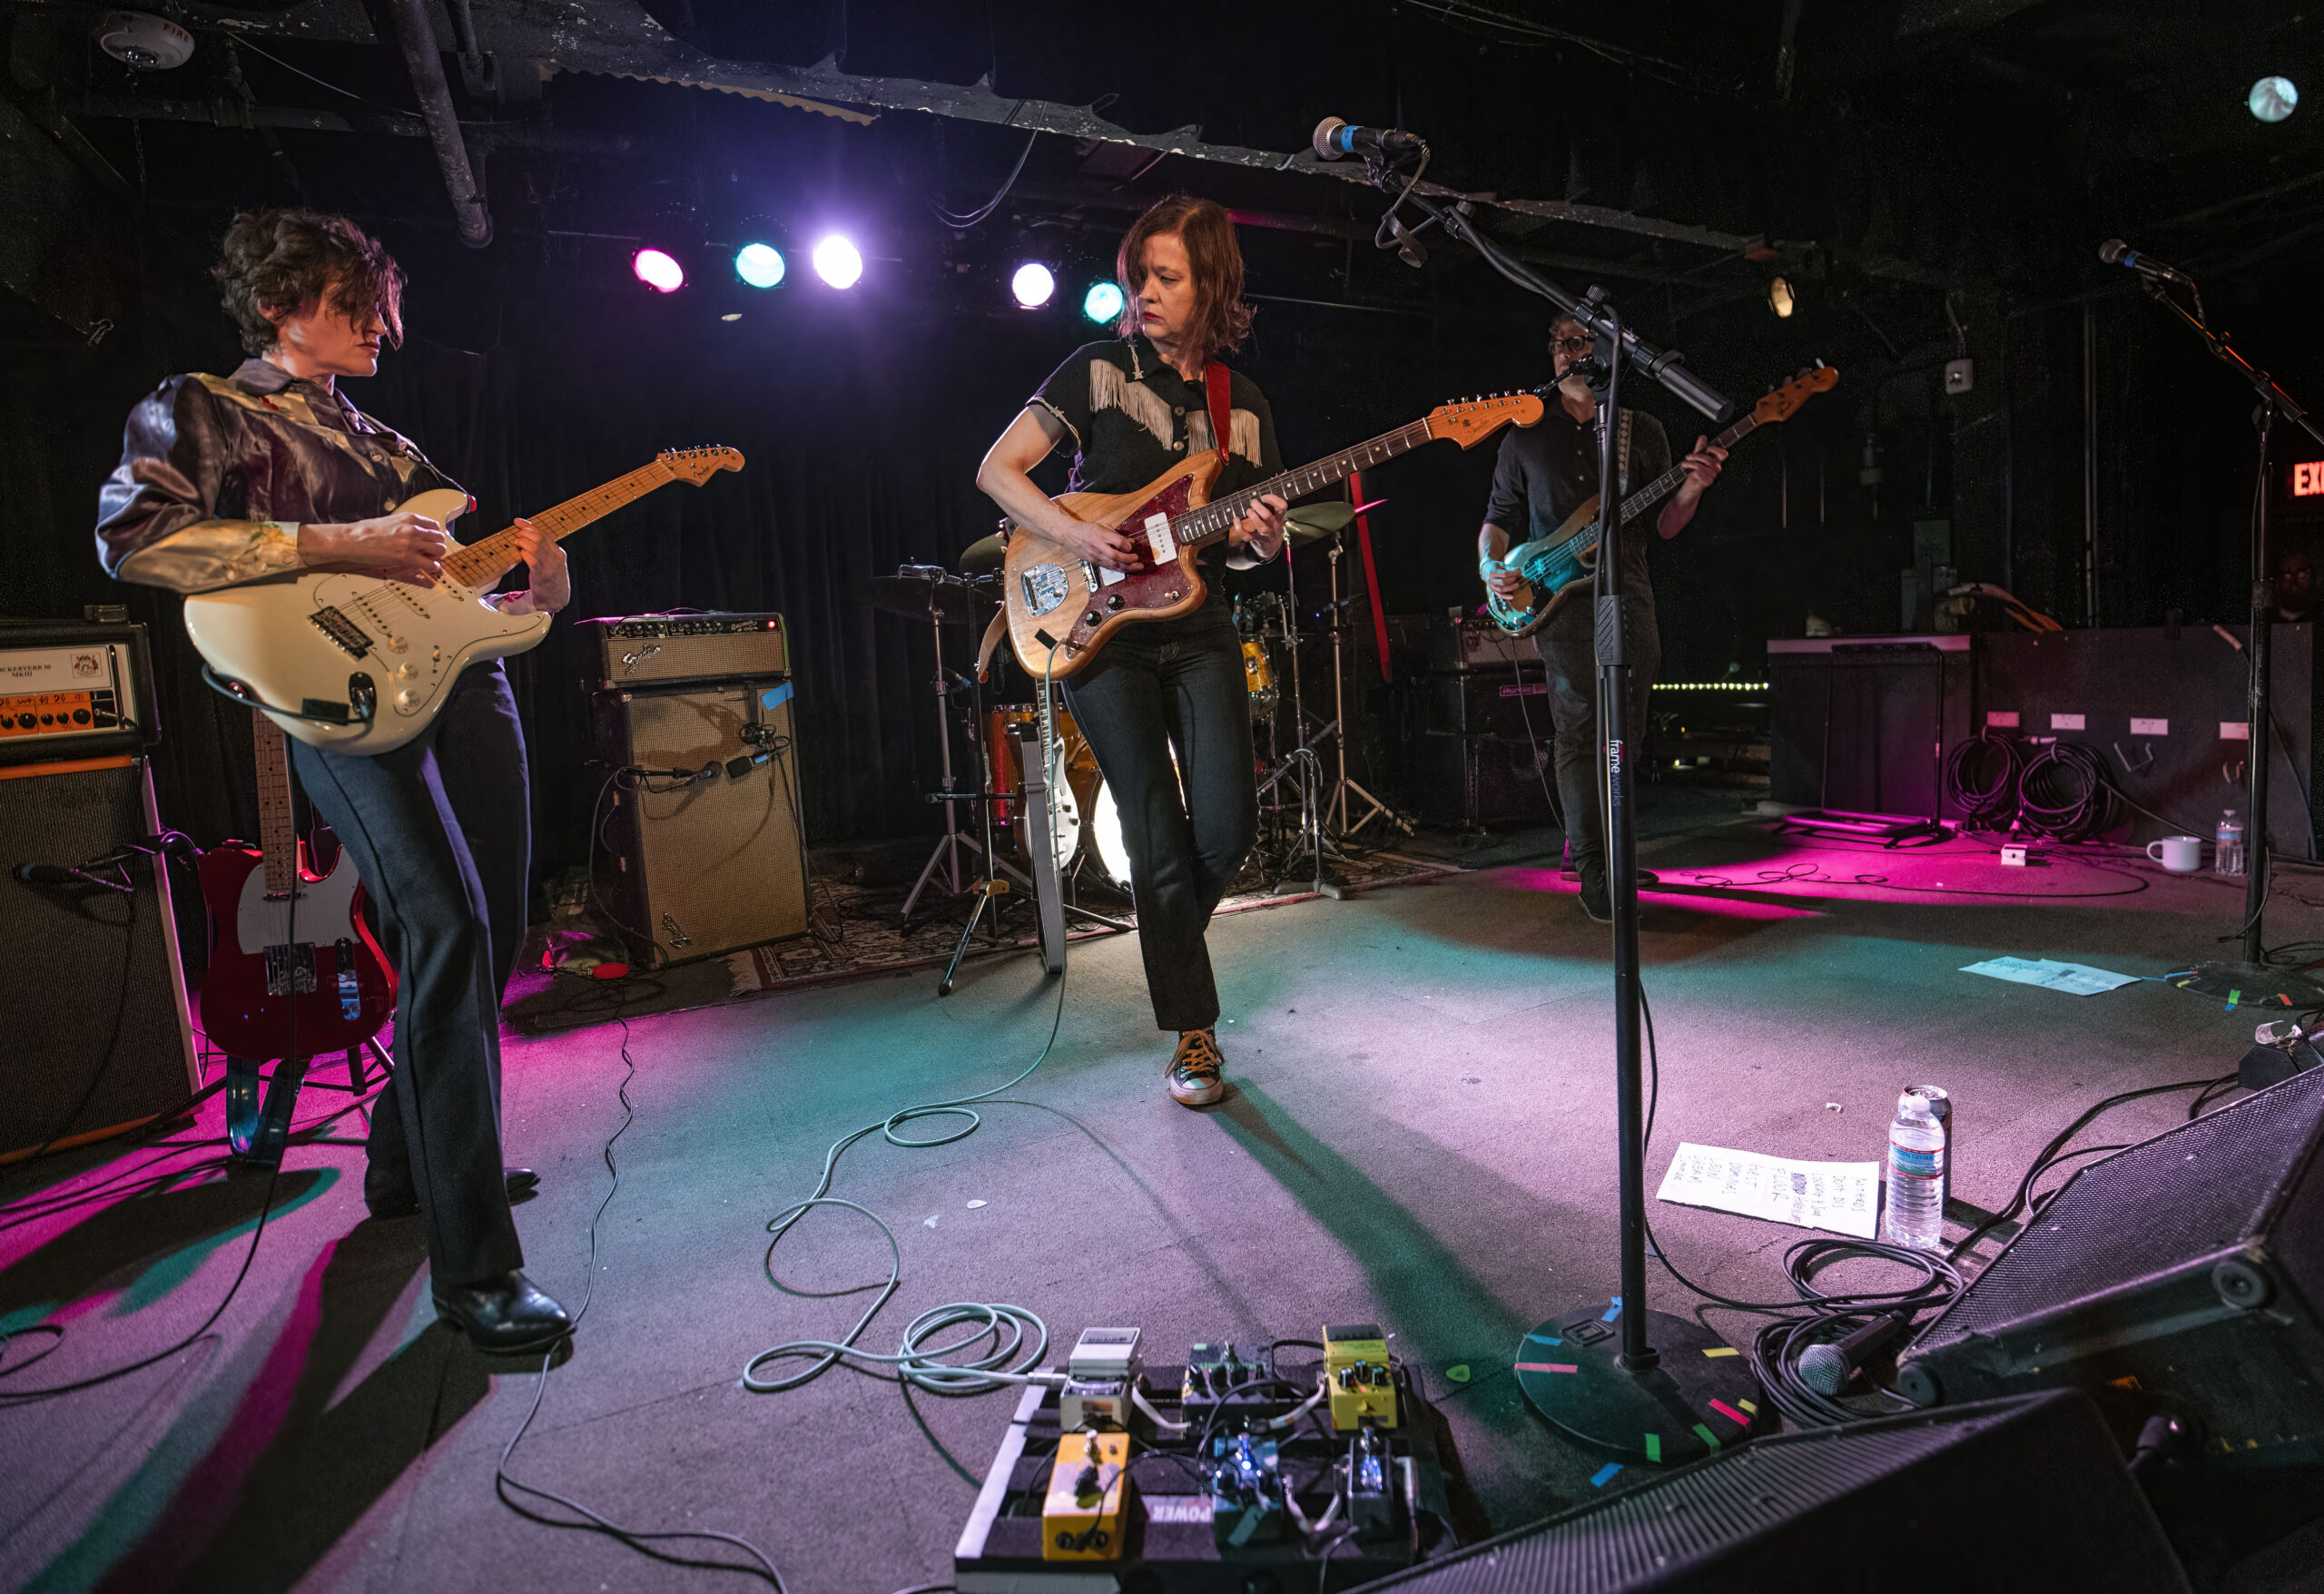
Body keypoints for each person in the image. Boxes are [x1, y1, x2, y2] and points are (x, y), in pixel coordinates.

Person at [95, 210, 572, 1353]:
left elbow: (449, 579)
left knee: (490, 929)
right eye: (357, 304)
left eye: (382, 304)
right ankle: (475, 1273)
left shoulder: (381, 437)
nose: (385, 327)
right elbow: (136, 537)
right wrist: (337, 547)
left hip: (459, 686)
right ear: (277, 303)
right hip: (334, 702)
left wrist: (530, 594)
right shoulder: (200, 406)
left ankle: (413, 1167)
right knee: (445, 924)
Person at [975, 195, 1289, 1107]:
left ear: (1213, 285)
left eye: (1167, 277)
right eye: (1138, 275)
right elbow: (997, 471)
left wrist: (1264, 538)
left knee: (1227, 829)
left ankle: (1164, 950)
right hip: (1098, 631)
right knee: (1154, 827)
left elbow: (1245, 544)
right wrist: (1074, 539)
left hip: (1197, 630)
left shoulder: (1245, 406)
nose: (1144, 292)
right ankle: (1194, 1039)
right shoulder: (1096, 367)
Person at [1478, 315, 1727, 922]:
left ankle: (1608, 850)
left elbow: (1664, 523)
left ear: (1608, 351)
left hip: (1630, 590)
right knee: (1579, 728)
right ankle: (1591, 865)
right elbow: (1498, 517)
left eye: (1584, 340)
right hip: (1557, 601)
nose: (1572, 351)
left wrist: (1692, 489)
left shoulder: (1643, 432)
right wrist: (1490, 567)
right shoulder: (1524, 436)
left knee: (1629, 730)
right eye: (1561, 340)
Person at [2275, 546, 2316, 624]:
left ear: (2311, 580)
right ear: (2279, 580)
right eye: (2288, 574)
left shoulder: (2319, 620)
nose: (2294, 580)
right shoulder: (2267, 619)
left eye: (2301, 575)